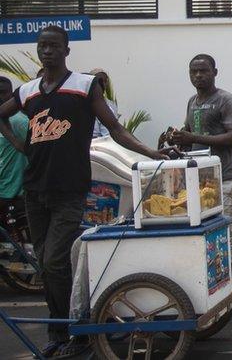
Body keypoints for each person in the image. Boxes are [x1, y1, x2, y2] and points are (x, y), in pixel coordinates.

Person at [0, 25, 168, 358]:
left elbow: (115, 128)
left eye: (54, 46)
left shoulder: (84, 86)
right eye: (42, 46)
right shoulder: (28, 91)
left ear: (66, 50)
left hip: (70, 189)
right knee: (46, 265)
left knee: (54, 261)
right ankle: (62, 331)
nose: (47, 51)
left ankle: (73, 331)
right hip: (35, 189)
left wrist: (150, 152)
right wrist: (20, 144)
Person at [165, 54, 232, 235]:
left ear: (215, 72)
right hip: (197, 180)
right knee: (202, 234)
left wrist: (193, 137)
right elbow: (190, 135)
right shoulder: (192, 102)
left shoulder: (226, 100)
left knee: (224, 234)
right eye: (193, 72)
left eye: (203, 71)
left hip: (222, 179)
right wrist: (177, 137)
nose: (198, 75)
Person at [0, 77, 28, 216]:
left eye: (3, 92)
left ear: (11, 94)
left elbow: (37, 153)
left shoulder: (18, 121)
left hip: (13, 195)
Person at [89, 69, 119, 138]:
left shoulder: (111, 105)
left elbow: (111, 131)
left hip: (104, 141)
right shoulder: (81, 102)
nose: (102, 84)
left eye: (105, 81)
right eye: (99, 81)